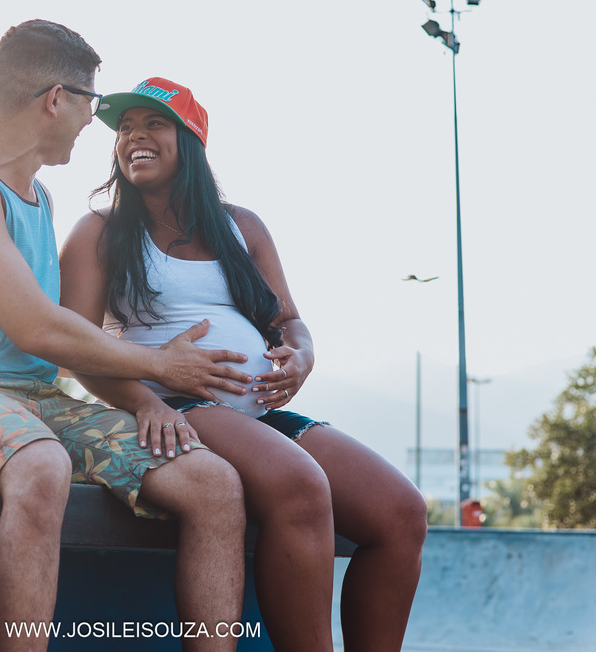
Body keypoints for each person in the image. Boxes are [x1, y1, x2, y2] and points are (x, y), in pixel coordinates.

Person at [0, 25, 252, 652]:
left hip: (33, 403)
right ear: (55, 98)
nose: (93, 122)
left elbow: (63, 341)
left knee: (212, 484)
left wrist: (145, 395)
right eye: (93, 105)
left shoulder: (40, 197)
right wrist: (161, 366)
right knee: (41, 462)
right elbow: (38, 327)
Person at [59, 77, 429, 652]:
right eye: (125, 128)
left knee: (400, 513)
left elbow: (288, 319)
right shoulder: (100, 232)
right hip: (176, 407)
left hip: (255, 416)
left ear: (191, 139)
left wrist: (300, 354)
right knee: (300, 484)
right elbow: (74, 345)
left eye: (154, 124)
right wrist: (146, 400)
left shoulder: (243, 227)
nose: (135, 136)